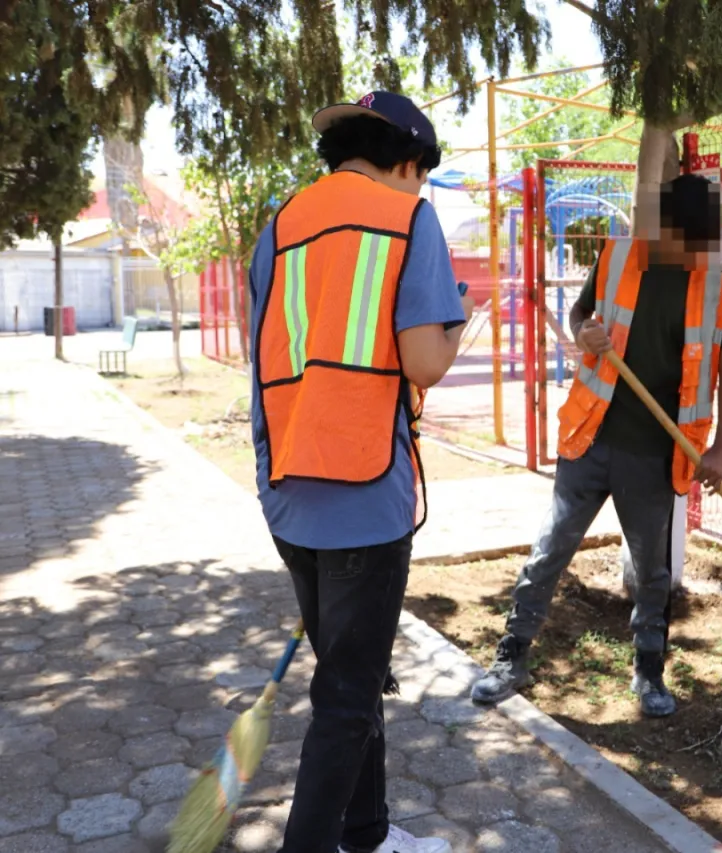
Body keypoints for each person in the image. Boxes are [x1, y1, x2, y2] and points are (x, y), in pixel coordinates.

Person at [247, 91, 474, 853]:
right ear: (406, 163)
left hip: (289, 499)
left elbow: (262, 370)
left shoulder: (279, 228)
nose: (419, 191)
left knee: (355, 676)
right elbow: (424, 362)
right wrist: (458, 318)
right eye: (420, 176)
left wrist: (270, 481)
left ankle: (368, 835)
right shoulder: (409, 219)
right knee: (347, 697)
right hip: (367, 501)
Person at [470, 174, 722, 718]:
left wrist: (721, 449)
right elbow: (580, 316)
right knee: (550, 550)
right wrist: (583, 332)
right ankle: (512, 657)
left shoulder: (714, 285)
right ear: (666, 228)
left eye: (706, 244)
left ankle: (648, 671)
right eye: (692, 242)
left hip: (656, 455)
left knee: (653, 571)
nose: (699, 253)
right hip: (588, 440)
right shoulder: (618, 259)